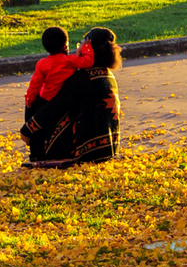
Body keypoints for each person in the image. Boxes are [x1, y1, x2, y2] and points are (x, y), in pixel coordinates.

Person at [20, 26, 122, 168]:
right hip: (108, 148)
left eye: (81, 45)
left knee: (34, 101)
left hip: (85, 150)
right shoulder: (108, 75)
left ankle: (38, 153)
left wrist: (28, 128)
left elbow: (58, 105)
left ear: (89, 49)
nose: (78, 49)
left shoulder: (82, 78)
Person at [22, 27, 94, 159]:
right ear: (65, 46)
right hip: (63, 100)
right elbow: (88, 61)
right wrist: (86, 47)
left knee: (34, 119)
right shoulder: (70, 61)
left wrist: (30, 100)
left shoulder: (42, 63)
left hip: (45, 99)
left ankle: (35, 153)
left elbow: (35, 85)